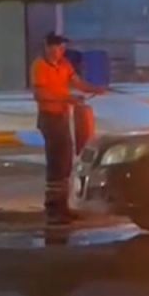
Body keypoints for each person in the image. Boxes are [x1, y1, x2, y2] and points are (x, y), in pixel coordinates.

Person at [32, 32, 104, 224]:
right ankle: (53, 208)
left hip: (63, 117)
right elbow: (40, 94)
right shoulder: (40, 66)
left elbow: (77, 83)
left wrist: (94, 89)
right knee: (56, 164)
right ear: (48, 47)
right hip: (50, 118)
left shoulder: (64, 65)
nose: (61, 52)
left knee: (65, 162)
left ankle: (62, 206)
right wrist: (66, 99)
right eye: (57, 48)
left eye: (63, 48)